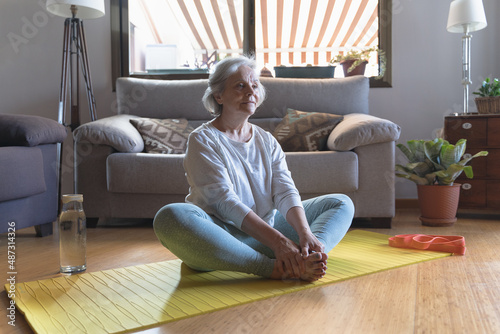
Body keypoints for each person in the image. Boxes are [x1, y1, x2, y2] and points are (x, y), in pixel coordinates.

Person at [153, 56, 354, 282]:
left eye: (255, 85)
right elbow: (224, 202)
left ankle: (309, 255)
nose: (250, 91)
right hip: (220, 237)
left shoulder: (267, 140)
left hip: (266, 232)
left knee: (341, 203)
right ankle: (271, 267)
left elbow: (285, 191)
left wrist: (305, 233)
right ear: (218, 95)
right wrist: (280, 243)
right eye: (240, 86)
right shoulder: (202, 139)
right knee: (170, 217)